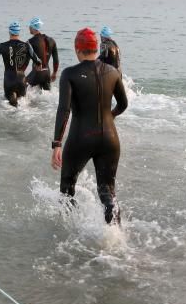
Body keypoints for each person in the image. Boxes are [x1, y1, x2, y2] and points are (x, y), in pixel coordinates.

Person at [51, 28, 128, 225]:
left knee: (67, 186)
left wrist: (57, 144)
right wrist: (109, 117)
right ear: (96, 48)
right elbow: (123, 104)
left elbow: (64, 110)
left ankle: (69, 233)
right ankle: (116, 238)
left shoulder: (70, 74)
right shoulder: (113, 71)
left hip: (81, 137)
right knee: (108, 192)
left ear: (78, 49)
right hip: (110, 138)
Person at [0, 21, 40, 106]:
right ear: (18, 32)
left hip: (9, 80)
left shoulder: (2, 46)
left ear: (9, 32)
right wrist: (38, 65)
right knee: (23, 107)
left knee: (10, 108)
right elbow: (37, 60)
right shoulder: (27, 46)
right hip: (21, 80)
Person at [26, 17, 59, 91]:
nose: (29, 28)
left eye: (30, 26)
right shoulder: (52, 40)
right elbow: (56, 60)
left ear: (32, 27)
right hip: (47, 73)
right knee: (47, 98)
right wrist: (54, 73)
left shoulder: (30, 42)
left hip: (36, 73)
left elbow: (25, 61)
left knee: (21, 88)